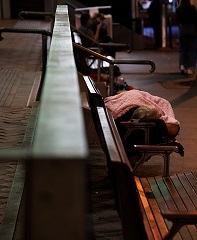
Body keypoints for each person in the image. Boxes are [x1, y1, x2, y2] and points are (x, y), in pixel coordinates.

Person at [104, 89, 184, 159]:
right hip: (126, 129)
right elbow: (172, 129)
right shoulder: (156, 122)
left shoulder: (135, 103)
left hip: (119, 125)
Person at [176, 0, 197, 75]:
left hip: (183, 28)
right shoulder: (192, 8)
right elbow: (195, 19)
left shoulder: (179, 9)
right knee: (191, 49)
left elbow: (178, 20)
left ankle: (182, 65)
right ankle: (190, 67)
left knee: (183, 49)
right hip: (191, 28)